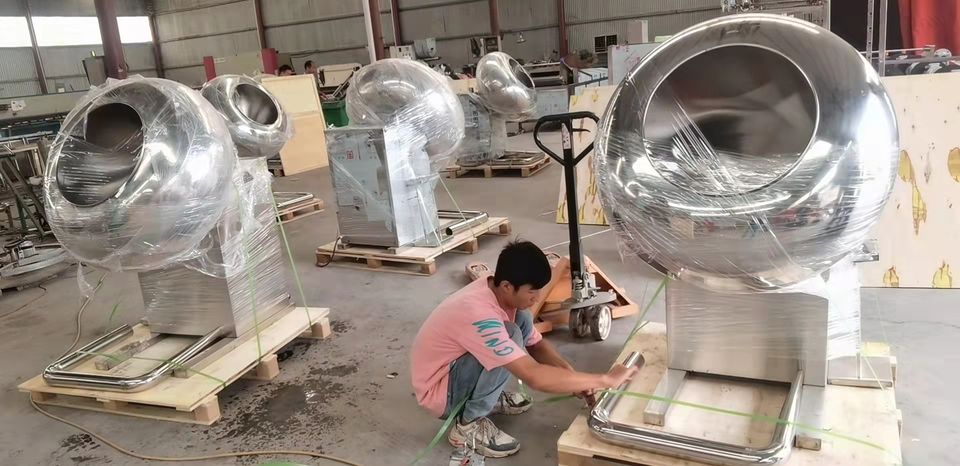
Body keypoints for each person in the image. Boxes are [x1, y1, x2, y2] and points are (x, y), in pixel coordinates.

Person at [410, 241, 639, 458]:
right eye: (532, 291)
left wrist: (575, 379)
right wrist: (605, 380)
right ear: (507, 286)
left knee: (521, 321)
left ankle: (486, 397)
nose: (537, 298)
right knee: (510, 335)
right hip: (441, 394)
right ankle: (467, 426)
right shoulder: (479, 313)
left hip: (455, 373)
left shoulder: (498, 290)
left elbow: (536, 345)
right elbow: (533, 376)